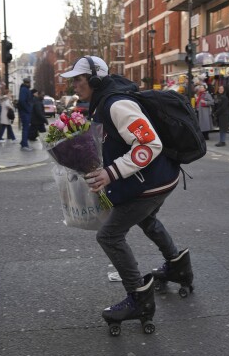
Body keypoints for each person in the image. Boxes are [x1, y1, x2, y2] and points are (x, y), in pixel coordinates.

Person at [60, 55, 193, 329]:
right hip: (158, 177)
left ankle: (138, 298)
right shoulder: (104, 101)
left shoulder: (117, 104)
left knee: (109, 236)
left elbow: (149, 144)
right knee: (146, 219)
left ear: (95, 79)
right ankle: (178, 265)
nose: (74, 85)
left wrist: (110, 173)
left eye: (78, 79)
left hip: (151, 182)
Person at [18, 77, 34, 151]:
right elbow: (22, 101)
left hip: (25, 112)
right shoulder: (24, 90)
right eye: (29, 82)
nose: (30, 84)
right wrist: (28, 109)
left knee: (26, 128)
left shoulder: (25, 89)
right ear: (27, 83)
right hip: (25, 112)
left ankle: (23, 142)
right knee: (25, 128)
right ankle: (25, 145)